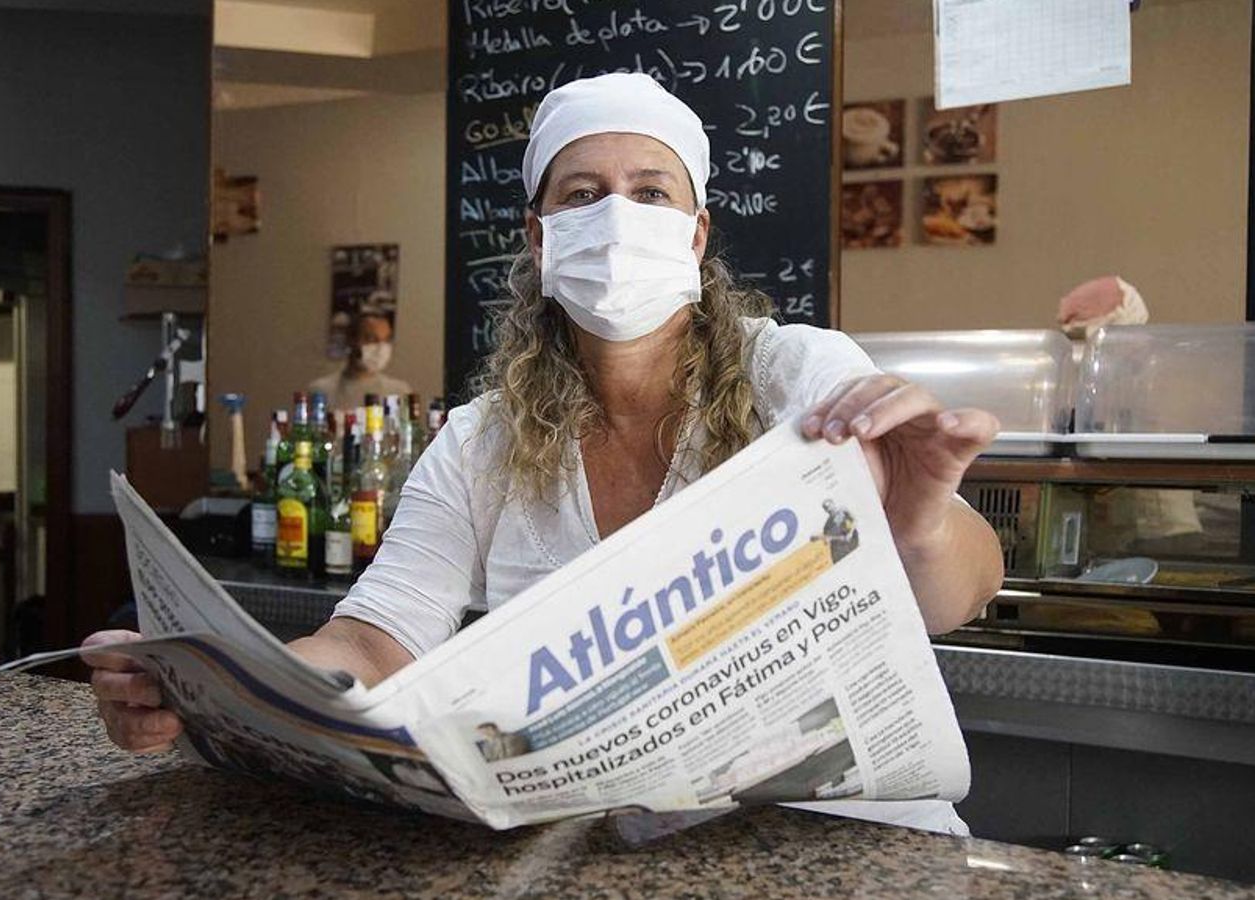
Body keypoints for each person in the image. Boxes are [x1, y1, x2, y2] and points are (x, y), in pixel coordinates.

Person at [84, 72, 1004, 835]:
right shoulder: (480, 439)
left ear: (697, 233)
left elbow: (955, 597)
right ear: (538, 236)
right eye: (582, 194)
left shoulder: (802, 375)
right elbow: (374, 641)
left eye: (651, 192)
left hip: (843, 848)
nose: (616, 217)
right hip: (615, 854)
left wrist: (919, 522)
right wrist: (223, 687)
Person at [308, 309, 412, 410]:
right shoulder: (321, 391)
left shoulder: (398, 392)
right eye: (371, 339)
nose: (380, 347)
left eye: (386, 340)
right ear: (351, 340)